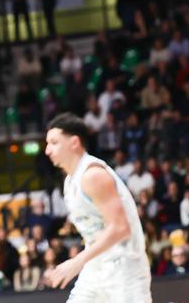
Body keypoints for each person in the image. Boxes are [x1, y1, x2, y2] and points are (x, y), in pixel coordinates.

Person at [43, 113, 151, 302]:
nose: (47, 150)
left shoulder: (93, 175)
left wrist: (77, 261)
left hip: (124, 269)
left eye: (54, 142)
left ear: (74, 143)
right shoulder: (70, 180)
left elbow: (120, 228)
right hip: (95, 268)